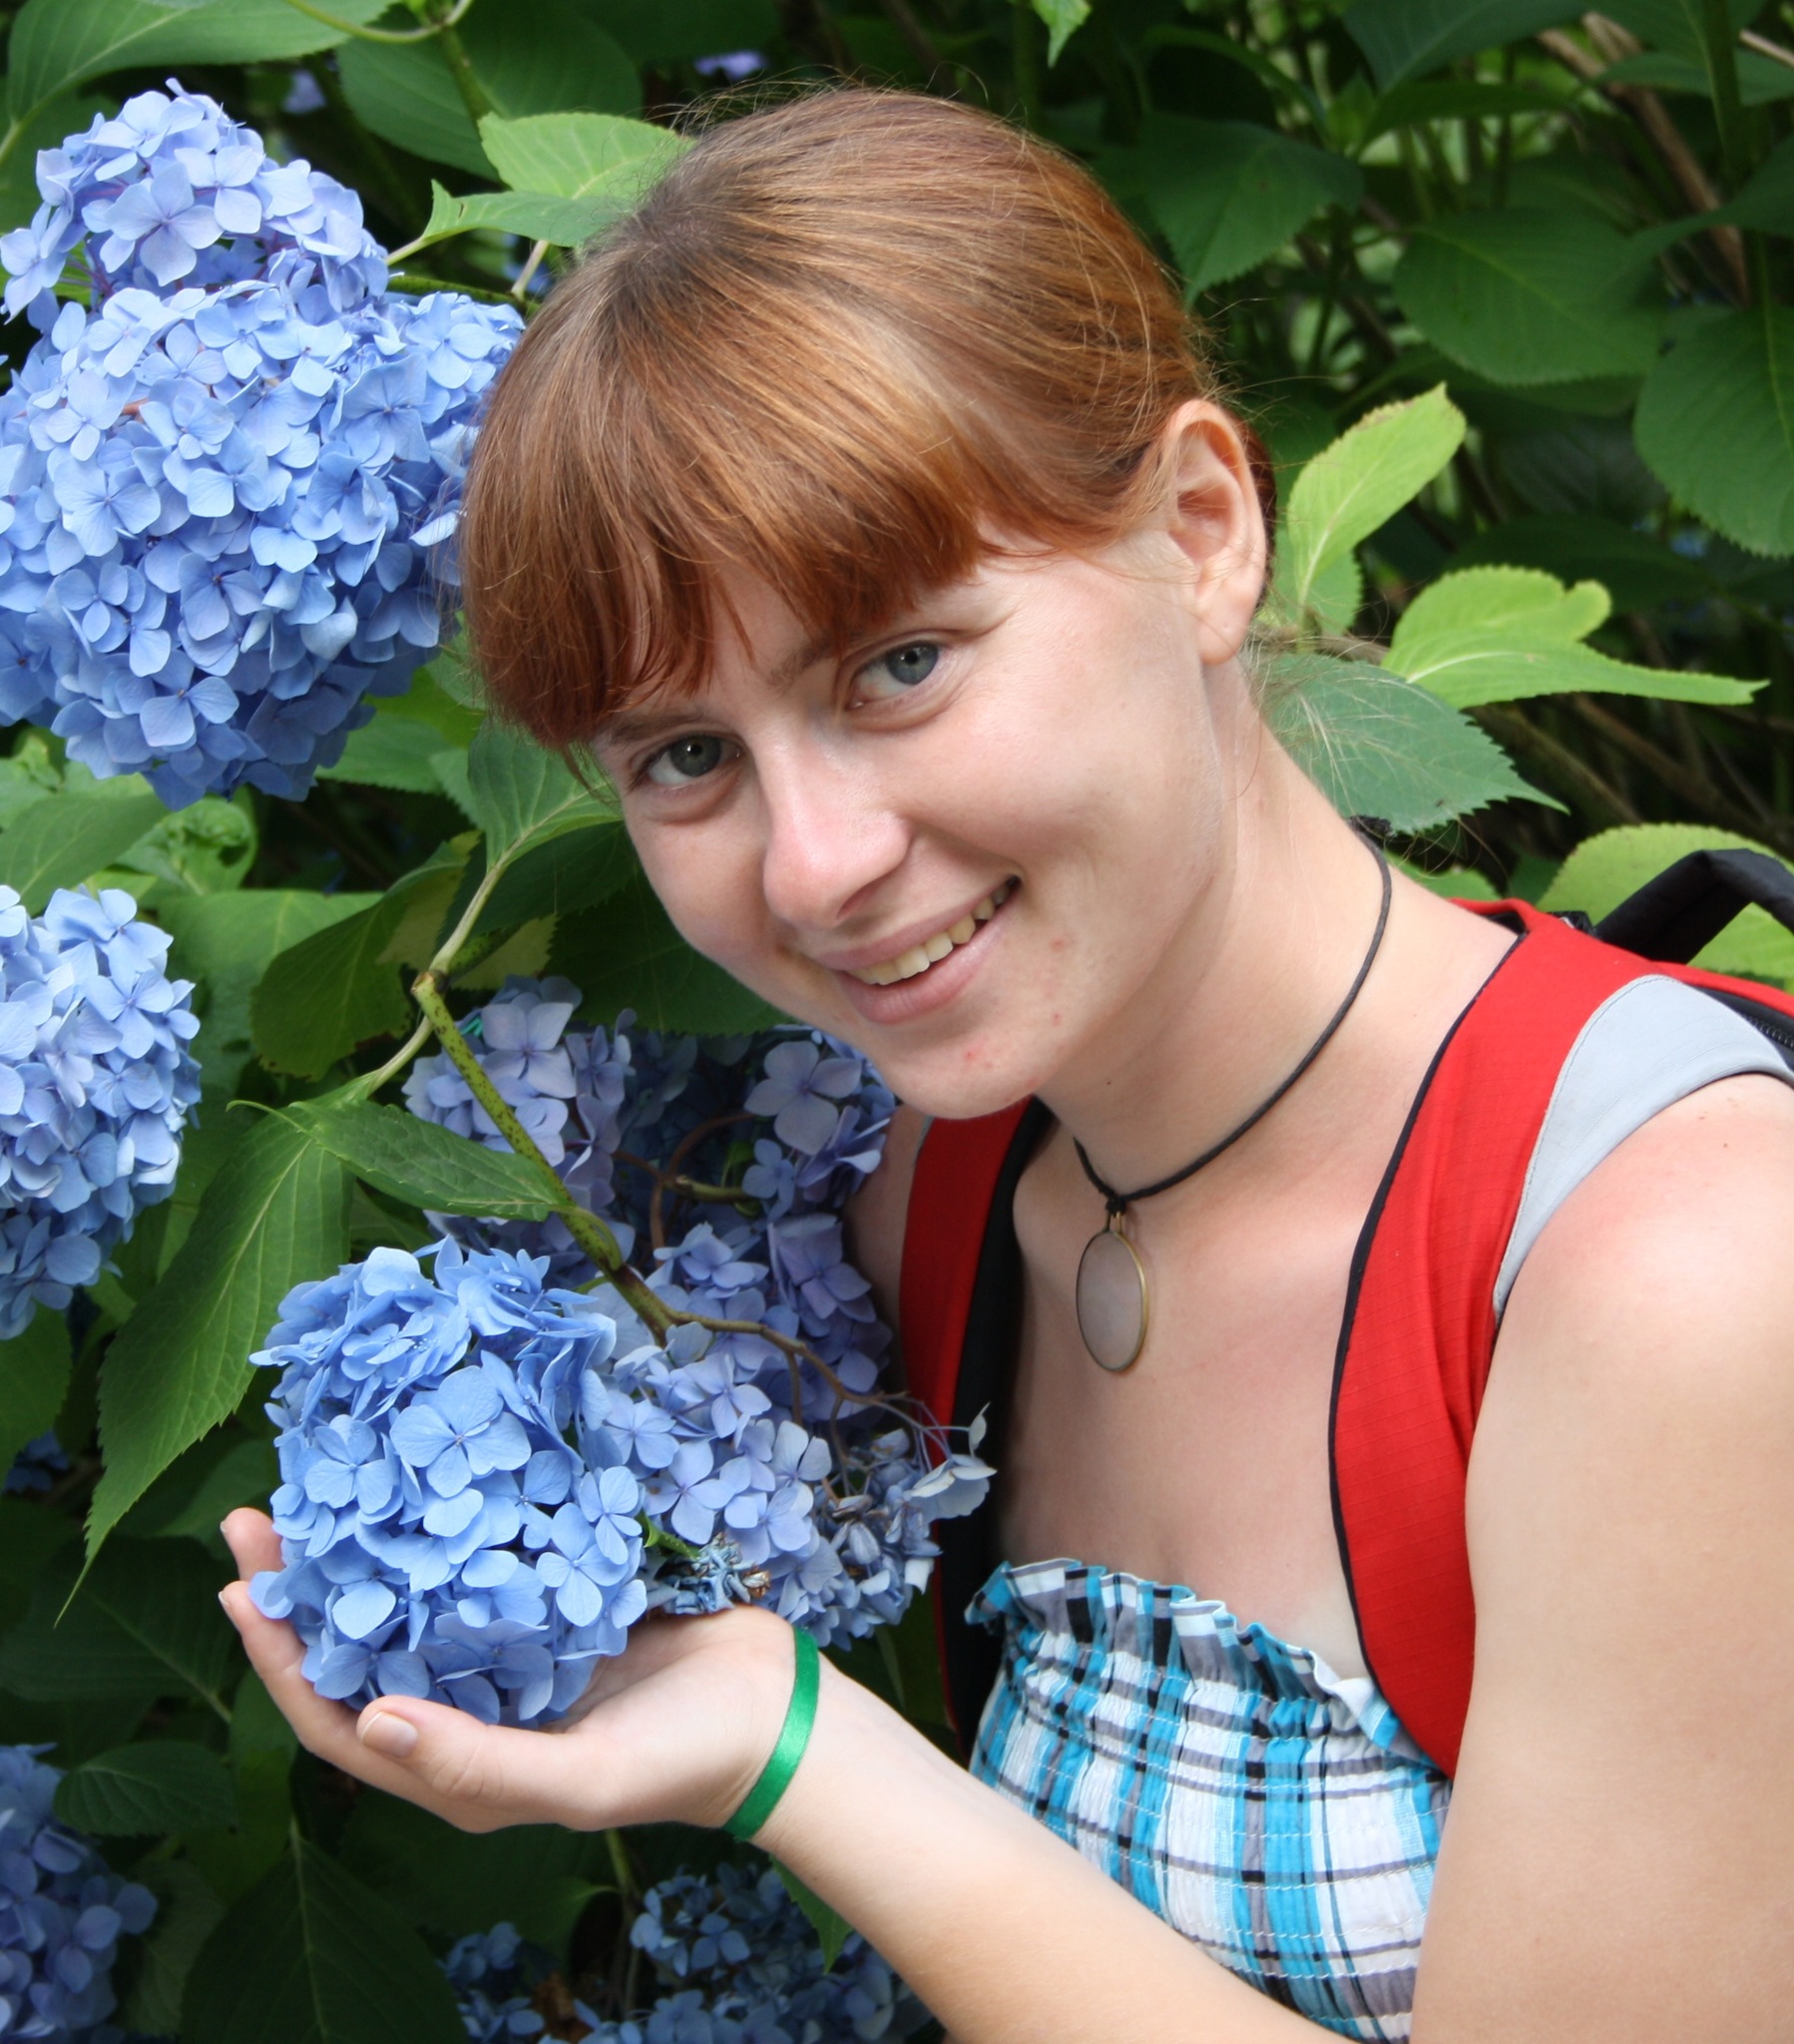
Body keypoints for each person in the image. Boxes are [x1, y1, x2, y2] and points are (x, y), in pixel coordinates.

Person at [220, 89, 1794, 2042]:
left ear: (1202, 533)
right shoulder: (935, 1202)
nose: (815, 866)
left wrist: (801, 1759)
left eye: (896, 664)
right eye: (684, 757)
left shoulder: (1673, 1274)